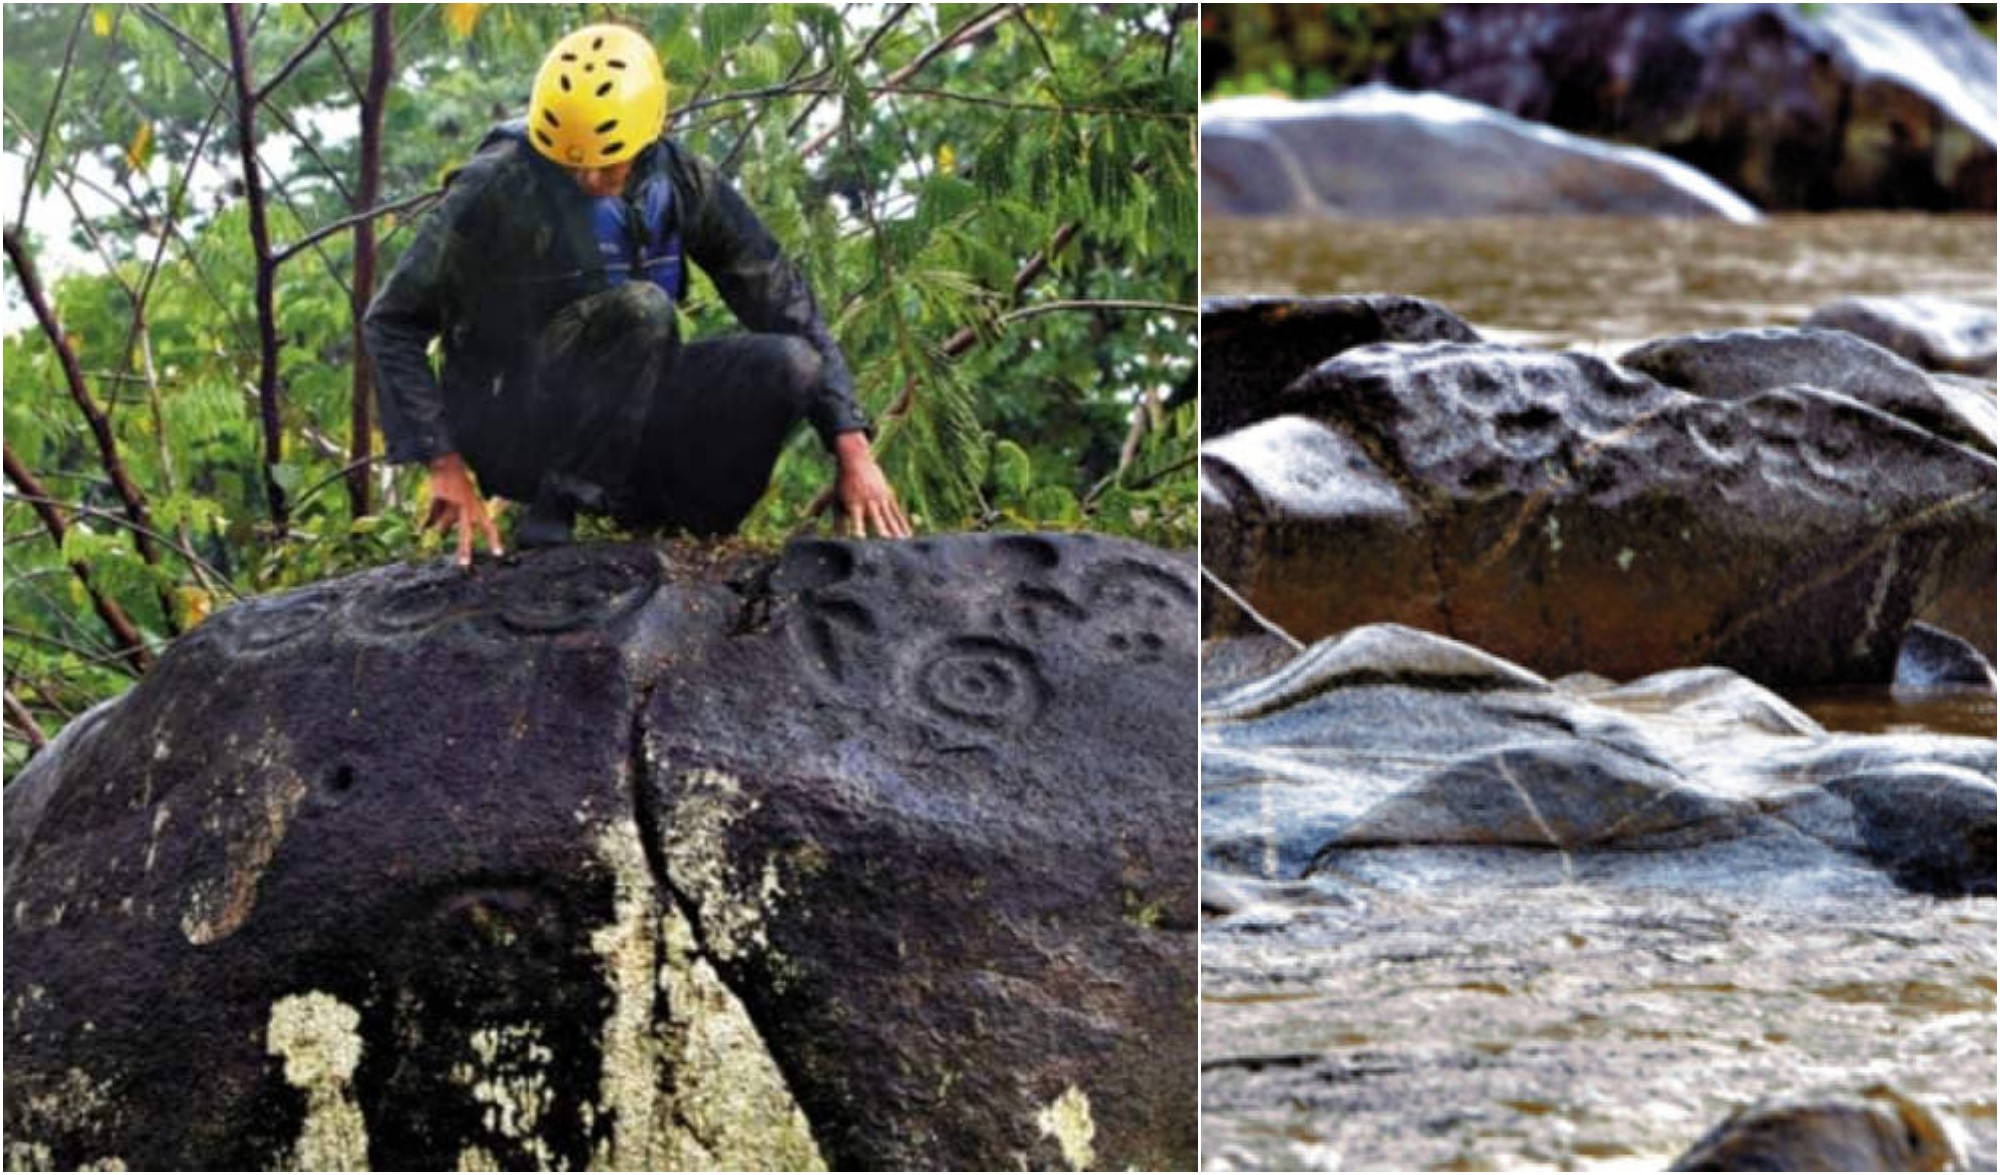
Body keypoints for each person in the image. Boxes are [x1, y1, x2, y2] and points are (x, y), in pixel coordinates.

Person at [365, 23, 911, 567]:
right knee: (643, 308)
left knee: (791, 365)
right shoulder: (496, 185)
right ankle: (554, 515)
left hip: (626, 416)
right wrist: (443, 462)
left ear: (648, 136)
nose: (588, 177)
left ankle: (689, 532)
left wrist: (851, 445)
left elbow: (785, 304)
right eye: (572, 162)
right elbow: (392, 322)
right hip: (516, 416)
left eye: (608, 161)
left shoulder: (681, 182)